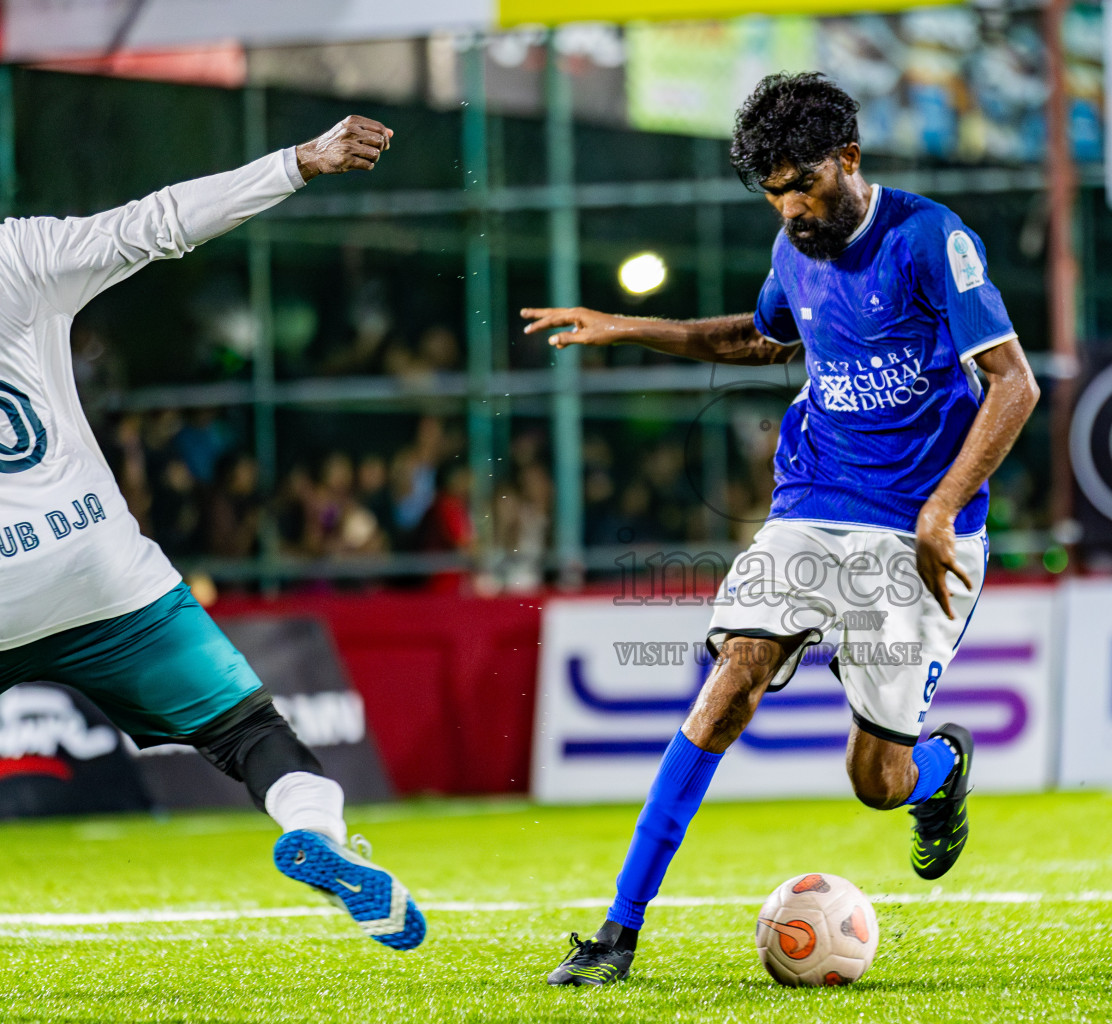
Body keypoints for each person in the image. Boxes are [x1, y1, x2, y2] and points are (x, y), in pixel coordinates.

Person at [523, 72, 1040, 986]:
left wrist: (941, 505)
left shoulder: (930, 238)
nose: (792, 209)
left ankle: (939, 769)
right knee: (732, 680)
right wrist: (627, 327)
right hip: (814, 501)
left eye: (804, 185)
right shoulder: (793, 247)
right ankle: (616, 933)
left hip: (918, 527)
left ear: (849, 158)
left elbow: (1014, 384)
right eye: (774, 193)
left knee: (875, 782)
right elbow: (761, 339)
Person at [0, 115, 425, 950]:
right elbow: (160, 222)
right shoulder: (15, 253)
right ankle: (318, 834)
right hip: (98, 567)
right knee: (249, 731)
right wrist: (299, 162)